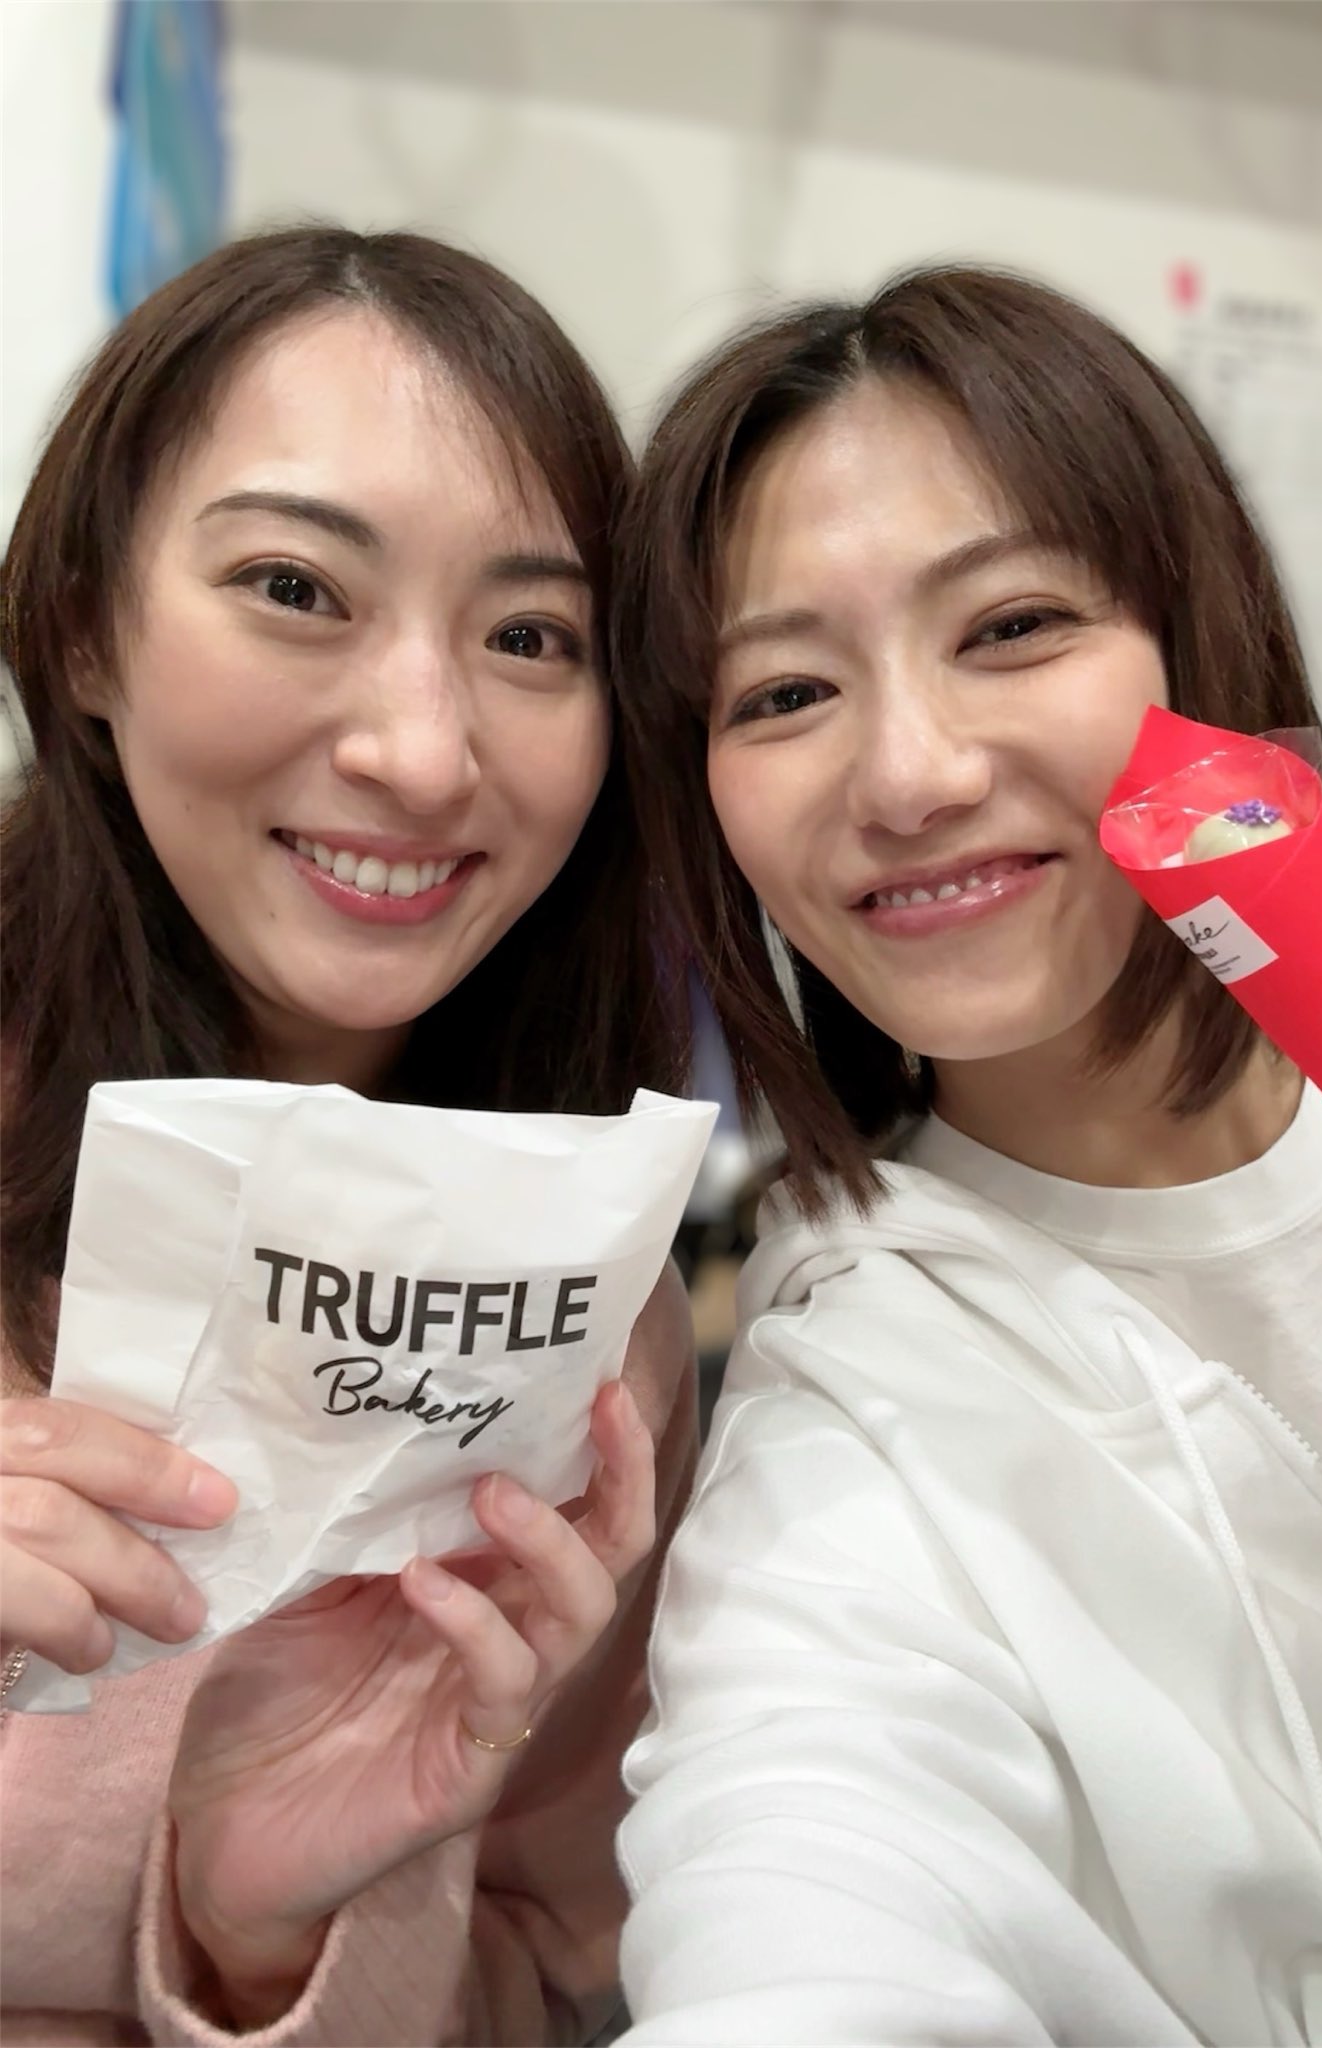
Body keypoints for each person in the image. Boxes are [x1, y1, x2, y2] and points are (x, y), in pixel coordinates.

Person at [609, 267, 1322, 2046]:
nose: (909, 774)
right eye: (784, 692)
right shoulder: (848, 1435)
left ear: (1195, 639)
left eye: (1014, 625)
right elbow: (801, 1900)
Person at [0, 226, 696, 2046]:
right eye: (298, 587)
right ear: (80, 629)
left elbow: (549, 1962)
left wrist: (261, 1942)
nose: (424, 750)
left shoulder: (592, 1330)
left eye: (531, 637)